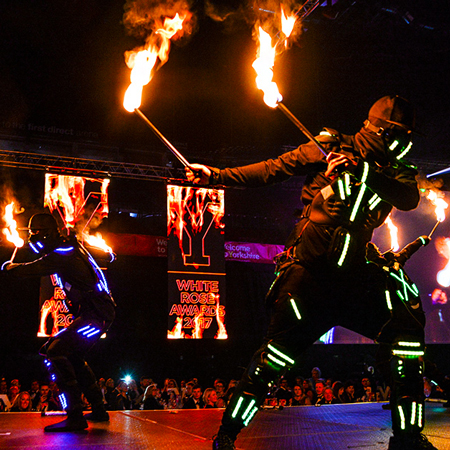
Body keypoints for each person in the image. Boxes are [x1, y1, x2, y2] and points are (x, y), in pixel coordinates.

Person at [186, 95, 435, 450]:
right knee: (273, 359)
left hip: (353, 280)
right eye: (401, 134)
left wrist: (361, 171)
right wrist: (216, 175)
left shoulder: (397, 169)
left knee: (406, 335)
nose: (406, 143)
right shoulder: (329, 146)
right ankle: (227, 434)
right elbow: (274, 168)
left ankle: (408, 436)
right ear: (383, 129)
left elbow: (408, 197)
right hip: (309, 279)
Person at [2, 213, 115, 431]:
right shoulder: (70, 247)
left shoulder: (62, 254)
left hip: (96, 315)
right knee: (72, 355)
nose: (32, 238)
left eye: (35, 233)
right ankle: (99, 410)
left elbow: (32, 268)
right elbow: (103, 256)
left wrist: (10, 267)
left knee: (54, 351)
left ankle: (75, 417)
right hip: (98, 313)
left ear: (46, 233)